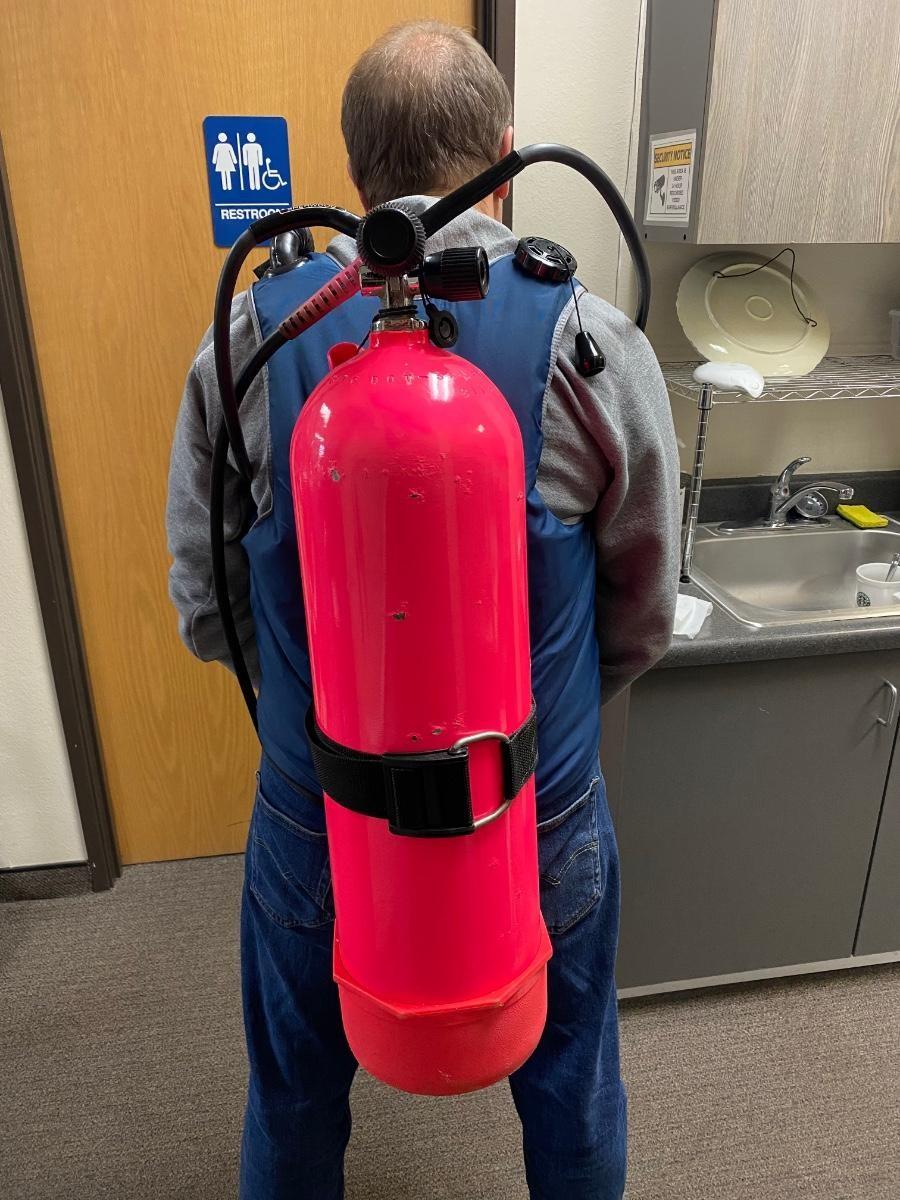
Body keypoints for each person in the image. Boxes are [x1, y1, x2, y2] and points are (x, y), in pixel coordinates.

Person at [167, 20, 679, 1200]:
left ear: (355, 173)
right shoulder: (589, 341)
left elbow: (205, 605)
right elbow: (645, 609)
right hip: (535, 804)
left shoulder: (252, 340)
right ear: (505, 152)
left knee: (292, 1101)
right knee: (573, 1094)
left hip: (318, 812)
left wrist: (318, 708)